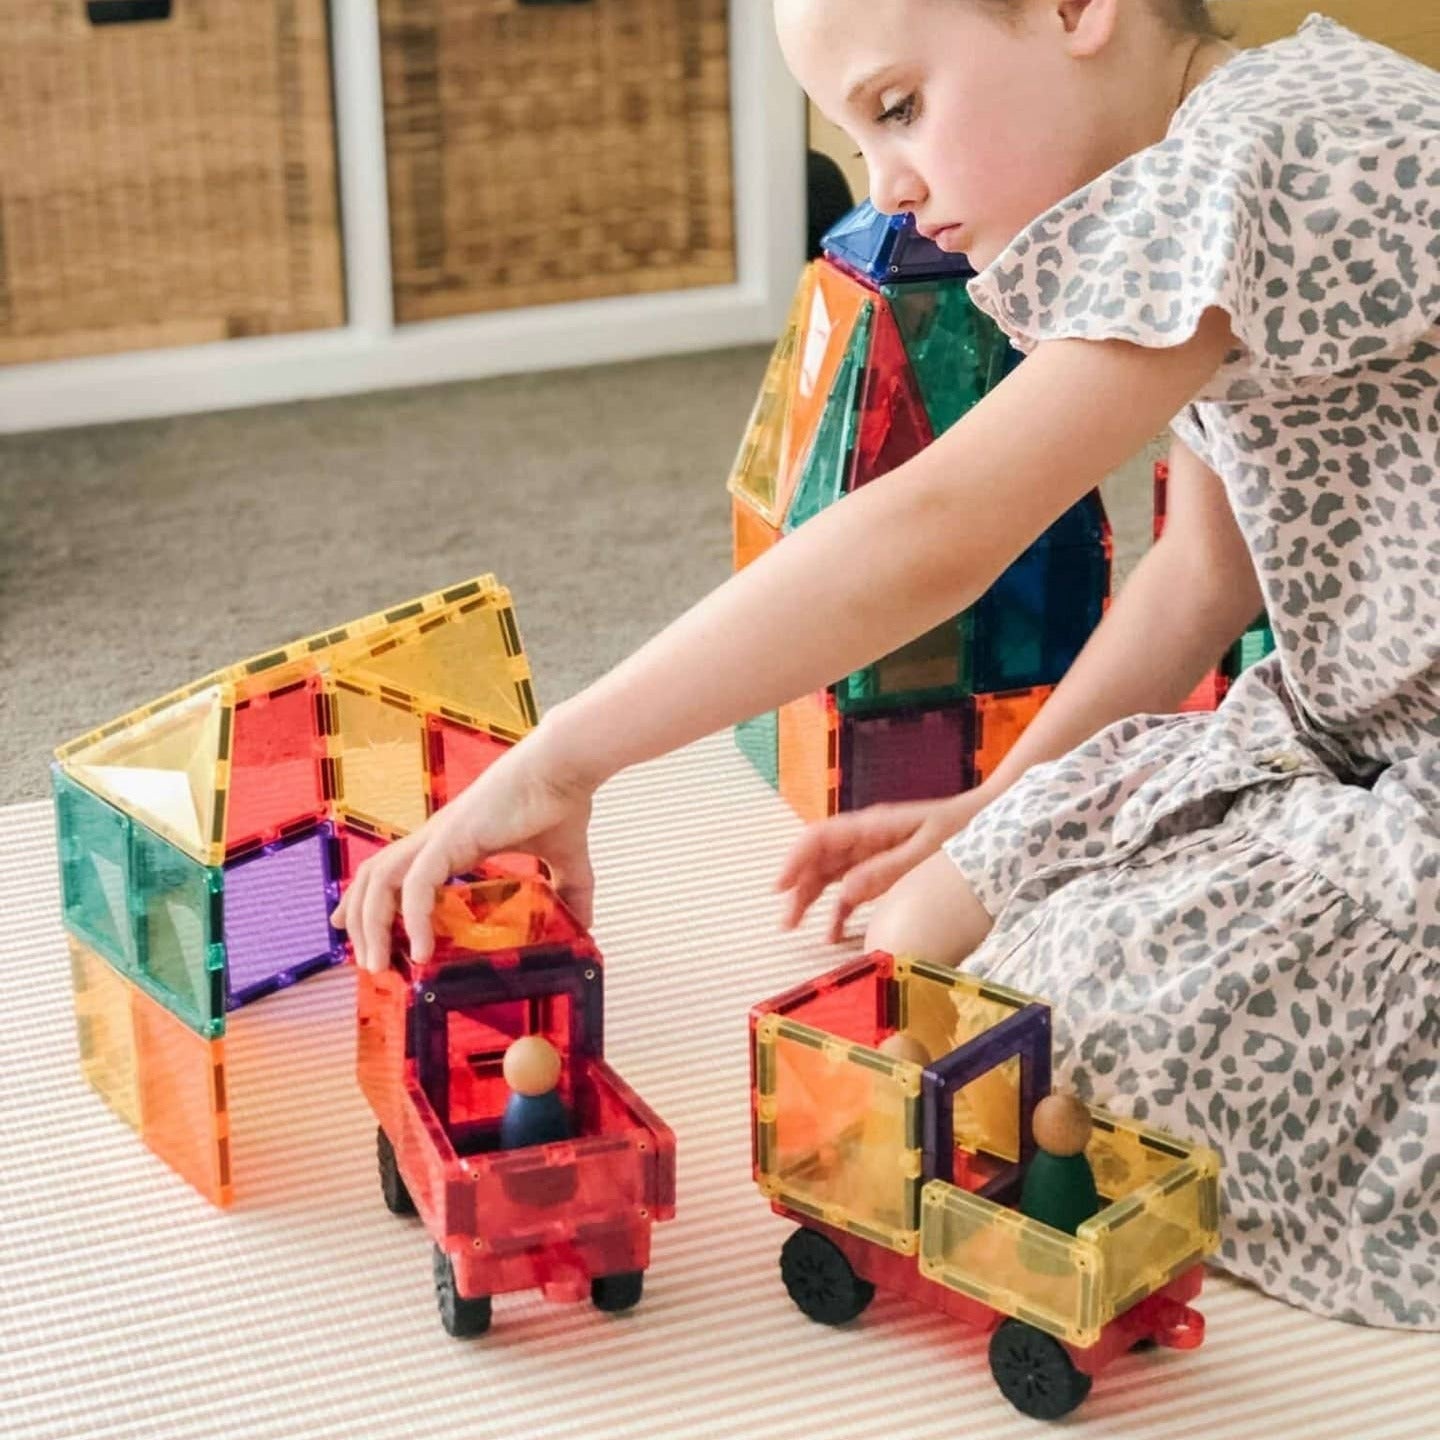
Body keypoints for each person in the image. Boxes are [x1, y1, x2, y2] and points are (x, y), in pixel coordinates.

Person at [334, 0, 1438, 1331]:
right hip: (1342, 730)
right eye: (859, 139)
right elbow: (1204, 577)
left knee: (1044, 1045)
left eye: (900, 110)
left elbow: (935, 534)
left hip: (1406, 781)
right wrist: (995, 805)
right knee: (926, 935)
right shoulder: (1202, 165)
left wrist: (567, 756)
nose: (891, 193)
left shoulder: (1274, 156)